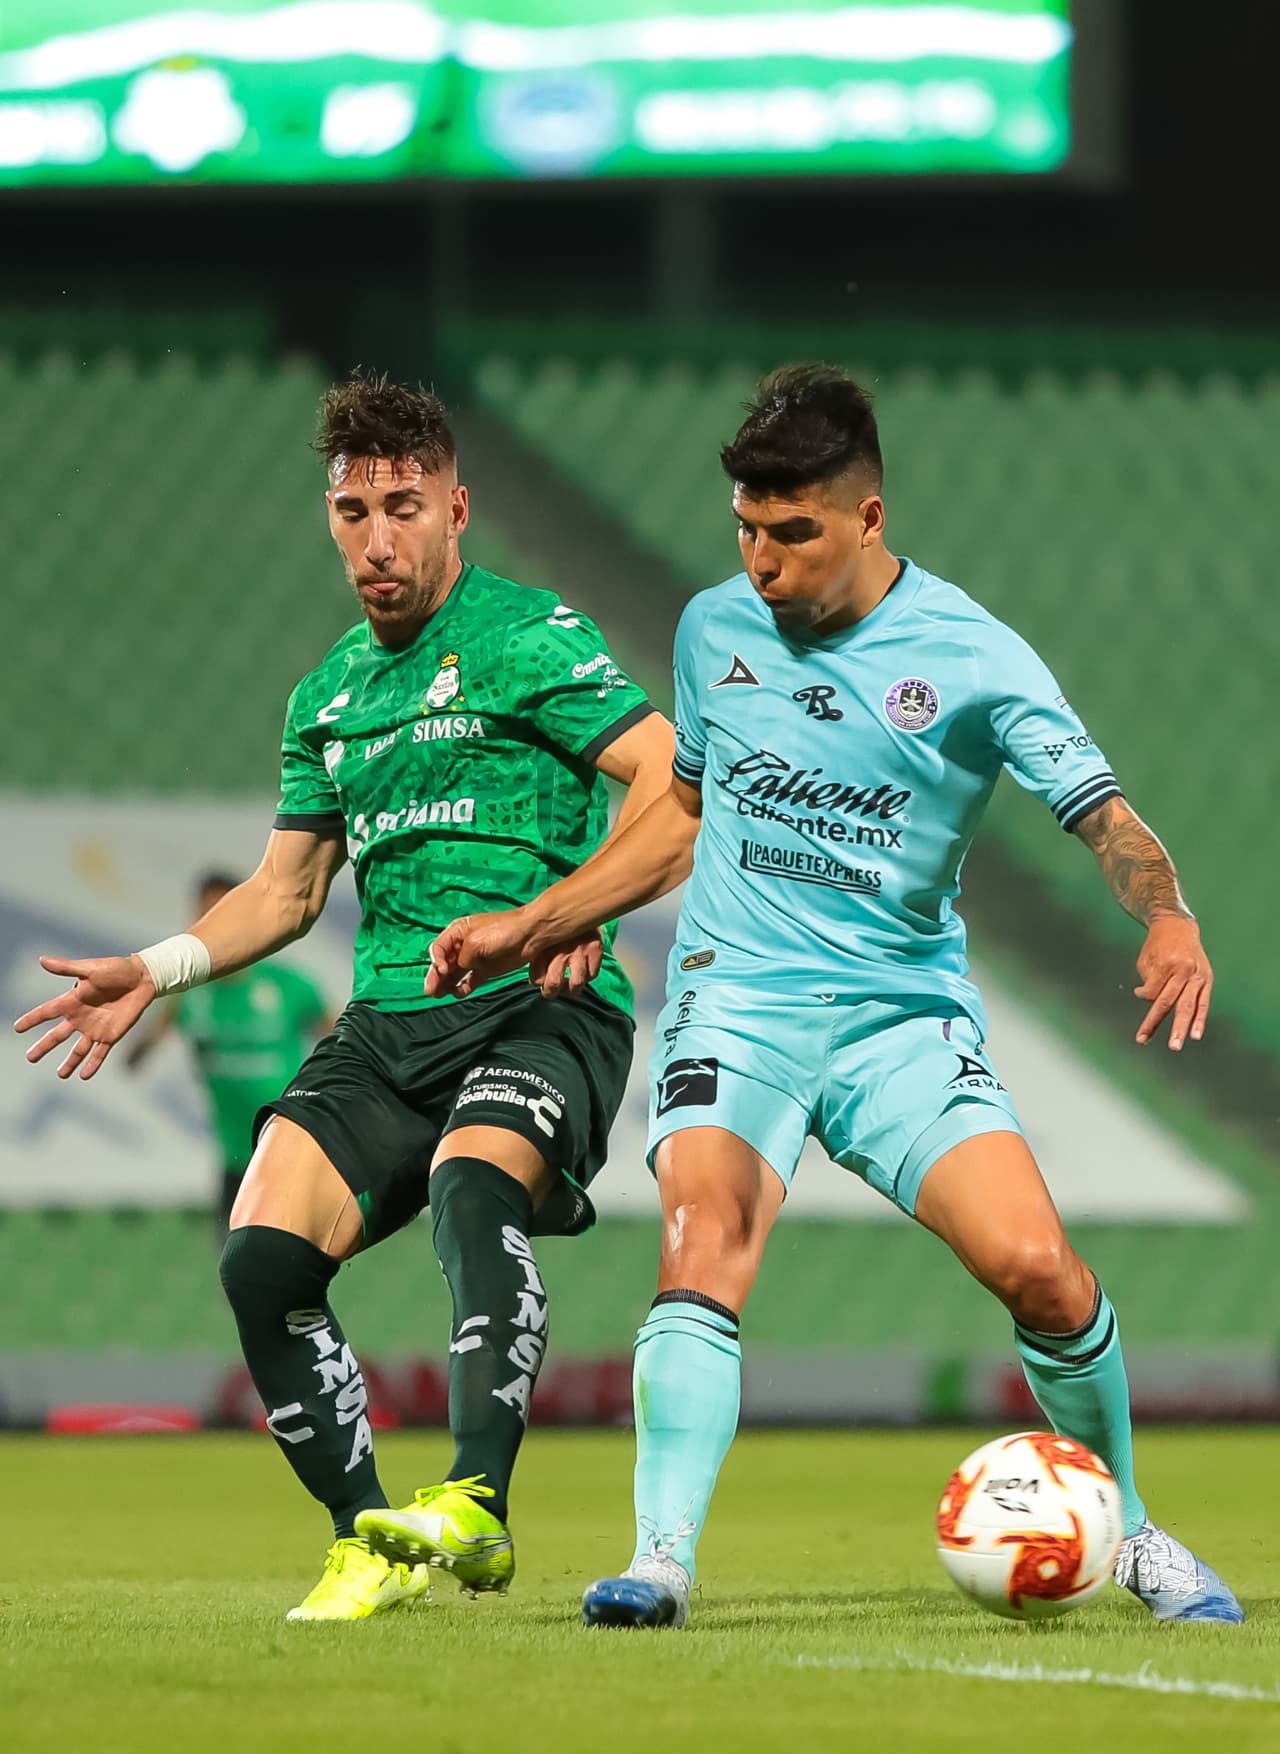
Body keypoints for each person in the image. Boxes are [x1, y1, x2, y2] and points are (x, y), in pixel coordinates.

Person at [425, 363, 1245, 1630]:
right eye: (745, 530)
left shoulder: (971, 656)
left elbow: (1104, 817)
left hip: (895, 1022)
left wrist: (1168, 913)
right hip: (735, 1003)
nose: (761, 562)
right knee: (702, 1237)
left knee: (1040, 1273)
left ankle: (1129, 1531)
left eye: (792, 533)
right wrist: (545, 920)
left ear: (867, 516)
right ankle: (659, 1561)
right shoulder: (713, 630)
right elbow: (682, 814)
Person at [15, 372, 674, 1623]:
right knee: (260, 1260)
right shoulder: (326, 696)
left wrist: (565, 911)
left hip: (535, 1004)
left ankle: (473, 1504)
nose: (377, 541)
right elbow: (285, 891)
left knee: (472, 1184)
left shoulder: (528, 635)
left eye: (403, 509)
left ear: (455, 511)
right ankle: (365, 1536)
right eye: (352, 512)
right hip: (389, 1023)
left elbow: (666, 782)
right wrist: (154, 969)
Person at [126, 870, 332, 1233]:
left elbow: (341, 1038)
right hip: (235, 1162)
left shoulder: (287, 985)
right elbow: (135, 1057)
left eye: (222, 911)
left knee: (297, 1258)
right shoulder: (189, 996)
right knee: (236, 1261)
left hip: (291, 1154)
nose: (215, 924)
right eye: (205, 914)